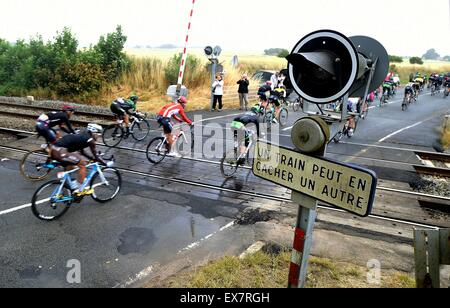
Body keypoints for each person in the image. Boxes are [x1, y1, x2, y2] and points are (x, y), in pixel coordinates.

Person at [51, 123, 109, 196]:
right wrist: (105, 163)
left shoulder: (83, 135)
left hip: (54, 150)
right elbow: (96, 155)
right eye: (99, 134)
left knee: (70, 166)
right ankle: (80, 189)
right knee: (82, 164)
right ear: (94, 133)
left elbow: (82, 152)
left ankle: (65, 186)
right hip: (61, 152)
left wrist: (92, 159)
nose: (98, 137)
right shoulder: (90, 140)